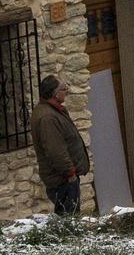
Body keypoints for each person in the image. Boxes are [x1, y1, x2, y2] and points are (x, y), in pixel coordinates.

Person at [30, 75, 89, 216]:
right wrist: (70, 173)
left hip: (65, 178)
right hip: (63, 180)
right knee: (69, 218)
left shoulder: (54, 111)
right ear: (55, 94)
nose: (67, 91)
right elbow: (56, 151)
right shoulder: (48, 118)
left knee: (70, 217)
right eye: (64, 89)